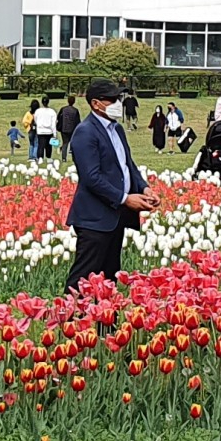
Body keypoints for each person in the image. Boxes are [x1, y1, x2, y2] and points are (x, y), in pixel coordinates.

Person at [64, 78, 155, 294]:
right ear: (96, 104)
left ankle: (105, 315)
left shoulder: (117, 129)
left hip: (115, 217)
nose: (118, 103)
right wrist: (125, 198)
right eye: (112, 99)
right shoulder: (85, 131)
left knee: (109, 276)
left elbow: (127, 165)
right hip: (94, 218)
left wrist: (144, 188)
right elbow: (91, 177)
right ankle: (70, 315)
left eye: (118, 98)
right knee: (84, 278)